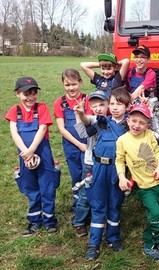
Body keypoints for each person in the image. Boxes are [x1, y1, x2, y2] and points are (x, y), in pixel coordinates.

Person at [115, 103, 159, 262]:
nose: (137, 125)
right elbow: (119, 160)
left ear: (147, 124)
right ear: (127, 120)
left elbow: (156, 152)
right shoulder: (122, 140)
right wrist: (121, 177)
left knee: (156, 214)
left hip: (158, 181)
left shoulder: (149, 135)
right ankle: (157, 242)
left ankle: (152, 238)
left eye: (141, 123)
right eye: (134, 121)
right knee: (157, 214)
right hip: (144, 186)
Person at [81, 87, 132, 261]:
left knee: (115, 203)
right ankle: (94, 243)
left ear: (127, 106)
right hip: (99, 168)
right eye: (112, 104)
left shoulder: (130, 125)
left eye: (119, 104)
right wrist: (80, 113)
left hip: (118, 170)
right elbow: (87, 123)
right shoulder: (102, 122)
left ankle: (113, 238)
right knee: (98, 204)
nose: (115, 108)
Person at [5, 76, 60, 236]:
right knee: (31, 187)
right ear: (17, 93)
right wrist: (26, 153)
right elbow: (14, 132)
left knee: (47, 187)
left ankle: (50, 221)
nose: (30, 97)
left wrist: (32, 150)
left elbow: (42, 129)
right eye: (26, 93)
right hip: (25, 156)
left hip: (42, 152)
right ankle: (35, 221)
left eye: (34, 93)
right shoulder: (14, 111)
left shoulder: (41, 108)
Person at [53, 69, 92, 226]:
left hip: (88, 144)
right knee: (76, 177)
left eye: (74, 84)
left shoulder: (88, 99)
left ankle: (88, 209)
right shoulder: (59, 103)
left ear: (80, 83)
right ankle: (78, 208)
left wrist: (85, 145)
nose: (71, 88)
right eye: (67, 85)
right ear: (63, 84)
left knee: (88, 177)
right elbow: (62, 129)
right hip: (72, 146)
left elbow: (89, 123)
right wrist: (79, 145)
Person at [72, 90, 110, 237]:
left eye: (102, 104)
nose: (98, 108)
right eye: (94, 105)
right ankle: (79, 221)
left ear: (108, 104)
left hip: (107, 164)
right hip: (91, 164)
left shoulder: (113, 121)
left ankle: (100, 218)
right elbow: (84, 127)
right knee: (85, 195)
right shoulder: (93, 120)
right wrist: (79, 114)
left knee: (104, 193)